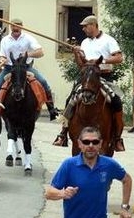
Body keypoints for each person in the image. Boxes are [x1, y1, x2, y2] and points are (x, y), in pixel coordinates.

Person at [53, 15, 126, 151]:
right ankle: (63, 133)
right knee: (71, 99)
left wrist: (102, 61)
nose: (84, 29)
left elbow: (119, 57)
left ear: (94, 25)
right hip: (87, 77)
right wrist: (76, 54)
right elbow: (81, 65)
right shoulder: (85, 43)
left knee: (116, 101)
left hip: (103, 76)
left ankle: (117, 138)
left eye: (85, 26)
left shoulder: (108, 40)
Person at [0, 18, 59, 120]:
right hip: (9, 69)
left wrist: (28, 54)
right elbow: (2, 56)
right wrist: (2, 60)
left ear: (22, 27)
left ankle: (51, 109)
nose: (15, 28)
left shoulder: (29, 38)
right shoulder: (5, 40)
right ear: (10, 26)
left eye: (18, 25)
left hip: (25, 68)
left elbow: (40, 52)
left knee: (44, 82)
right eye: (13, 25)